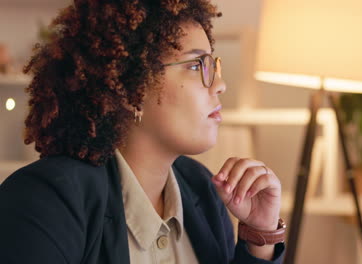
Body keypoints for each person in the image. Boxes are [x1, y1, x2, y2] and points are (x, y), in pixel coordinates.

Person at [0, 0, 286, 263]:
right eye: (196, 64)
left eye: (213, 64)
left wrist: (259, 237)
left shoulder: (202, 190)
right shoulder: (44, 201)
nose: (220, 84)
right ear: (130, 89)